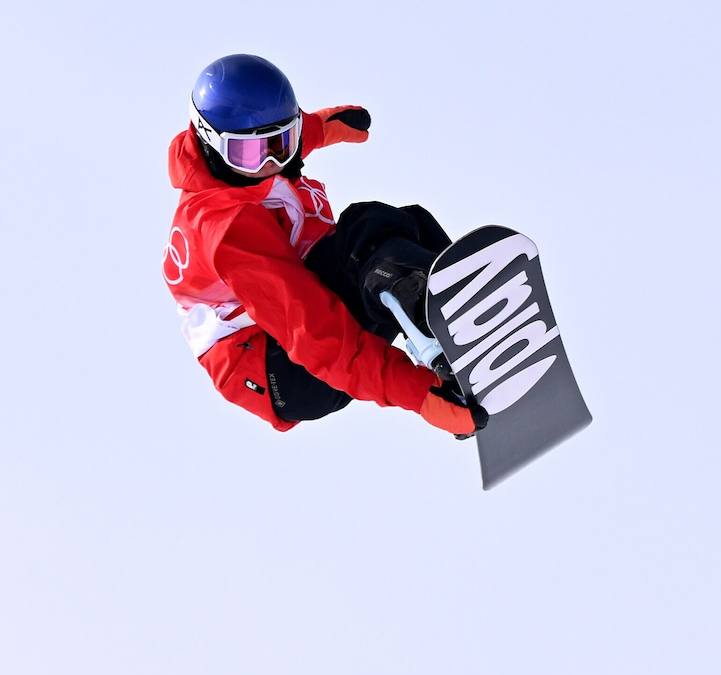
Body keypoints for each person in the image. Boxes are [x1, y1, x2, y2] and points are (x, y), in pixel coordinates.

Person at [162, 54, 485, 437]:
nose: (269, 162)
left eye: (281, 144)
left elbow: (297, 134)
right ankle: (436, 321)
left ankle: (456, 304)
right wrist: (419, 395)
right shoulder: (226, 229)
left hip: (299, 341)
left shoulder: (245, 162)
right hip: (286, 370)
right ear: (210, 141)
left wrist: (328, 126)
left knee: (409, 223)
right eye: (247, 154)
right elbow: (315, 335)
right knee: (366, 235)